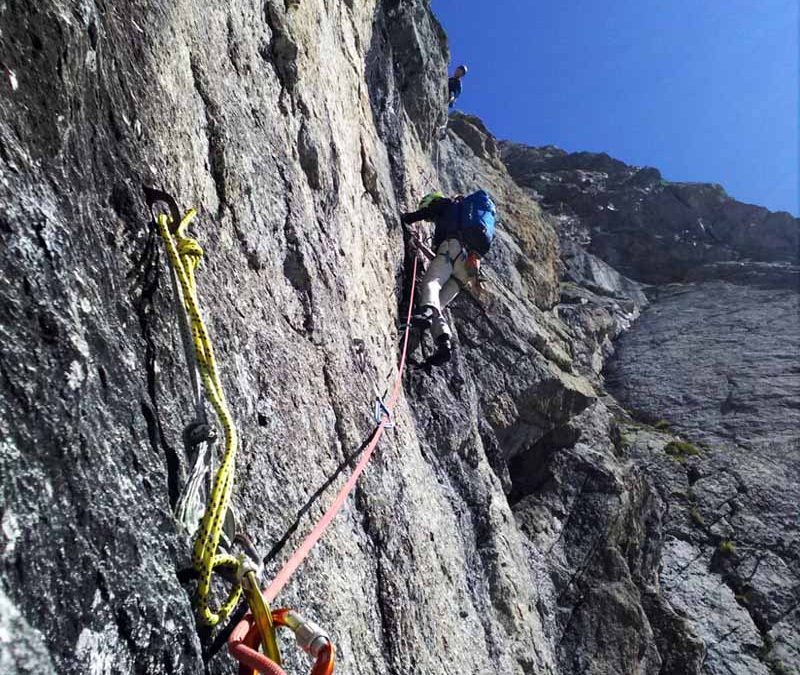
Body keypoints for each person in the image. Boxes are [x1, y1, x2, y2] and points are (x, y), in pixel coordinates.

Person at [401, 190, 496, 366]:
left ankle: (426, 313)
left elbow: (426, 213)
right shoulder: (471, 221)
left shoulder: (446, 204)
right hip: (468, 268)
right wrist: (421, 247)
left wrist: (406, 218)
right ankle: (444, 344)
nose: (432, 221)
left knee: (431, 283)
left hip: (453, 247)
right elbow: (444, 262)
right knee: (438, 304)